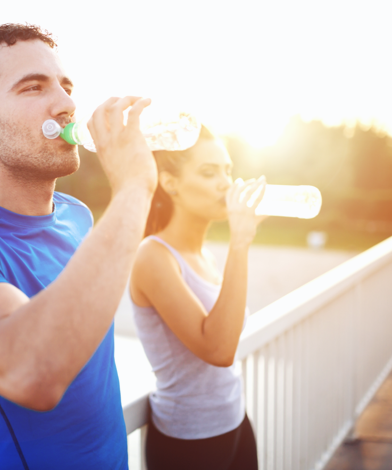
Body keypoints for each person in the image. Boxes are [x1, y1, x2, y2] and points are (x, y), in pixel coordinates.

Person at [0, 24, 158, 469]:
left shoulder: (77, 215)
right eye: (33, 87)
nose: (66, 104)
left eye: (66, 86)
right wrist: (135, 187)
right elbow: (30, 372)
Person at [129, 126, 265, 470]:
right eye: (209, 172)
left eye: (228, 170)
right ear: (170, 182)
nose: (226, 183)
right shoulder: (153, 256)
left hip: (234, 421)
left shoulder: (206, 256)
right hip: (189, 442)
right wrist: (241, 242)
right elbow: (219, 349)